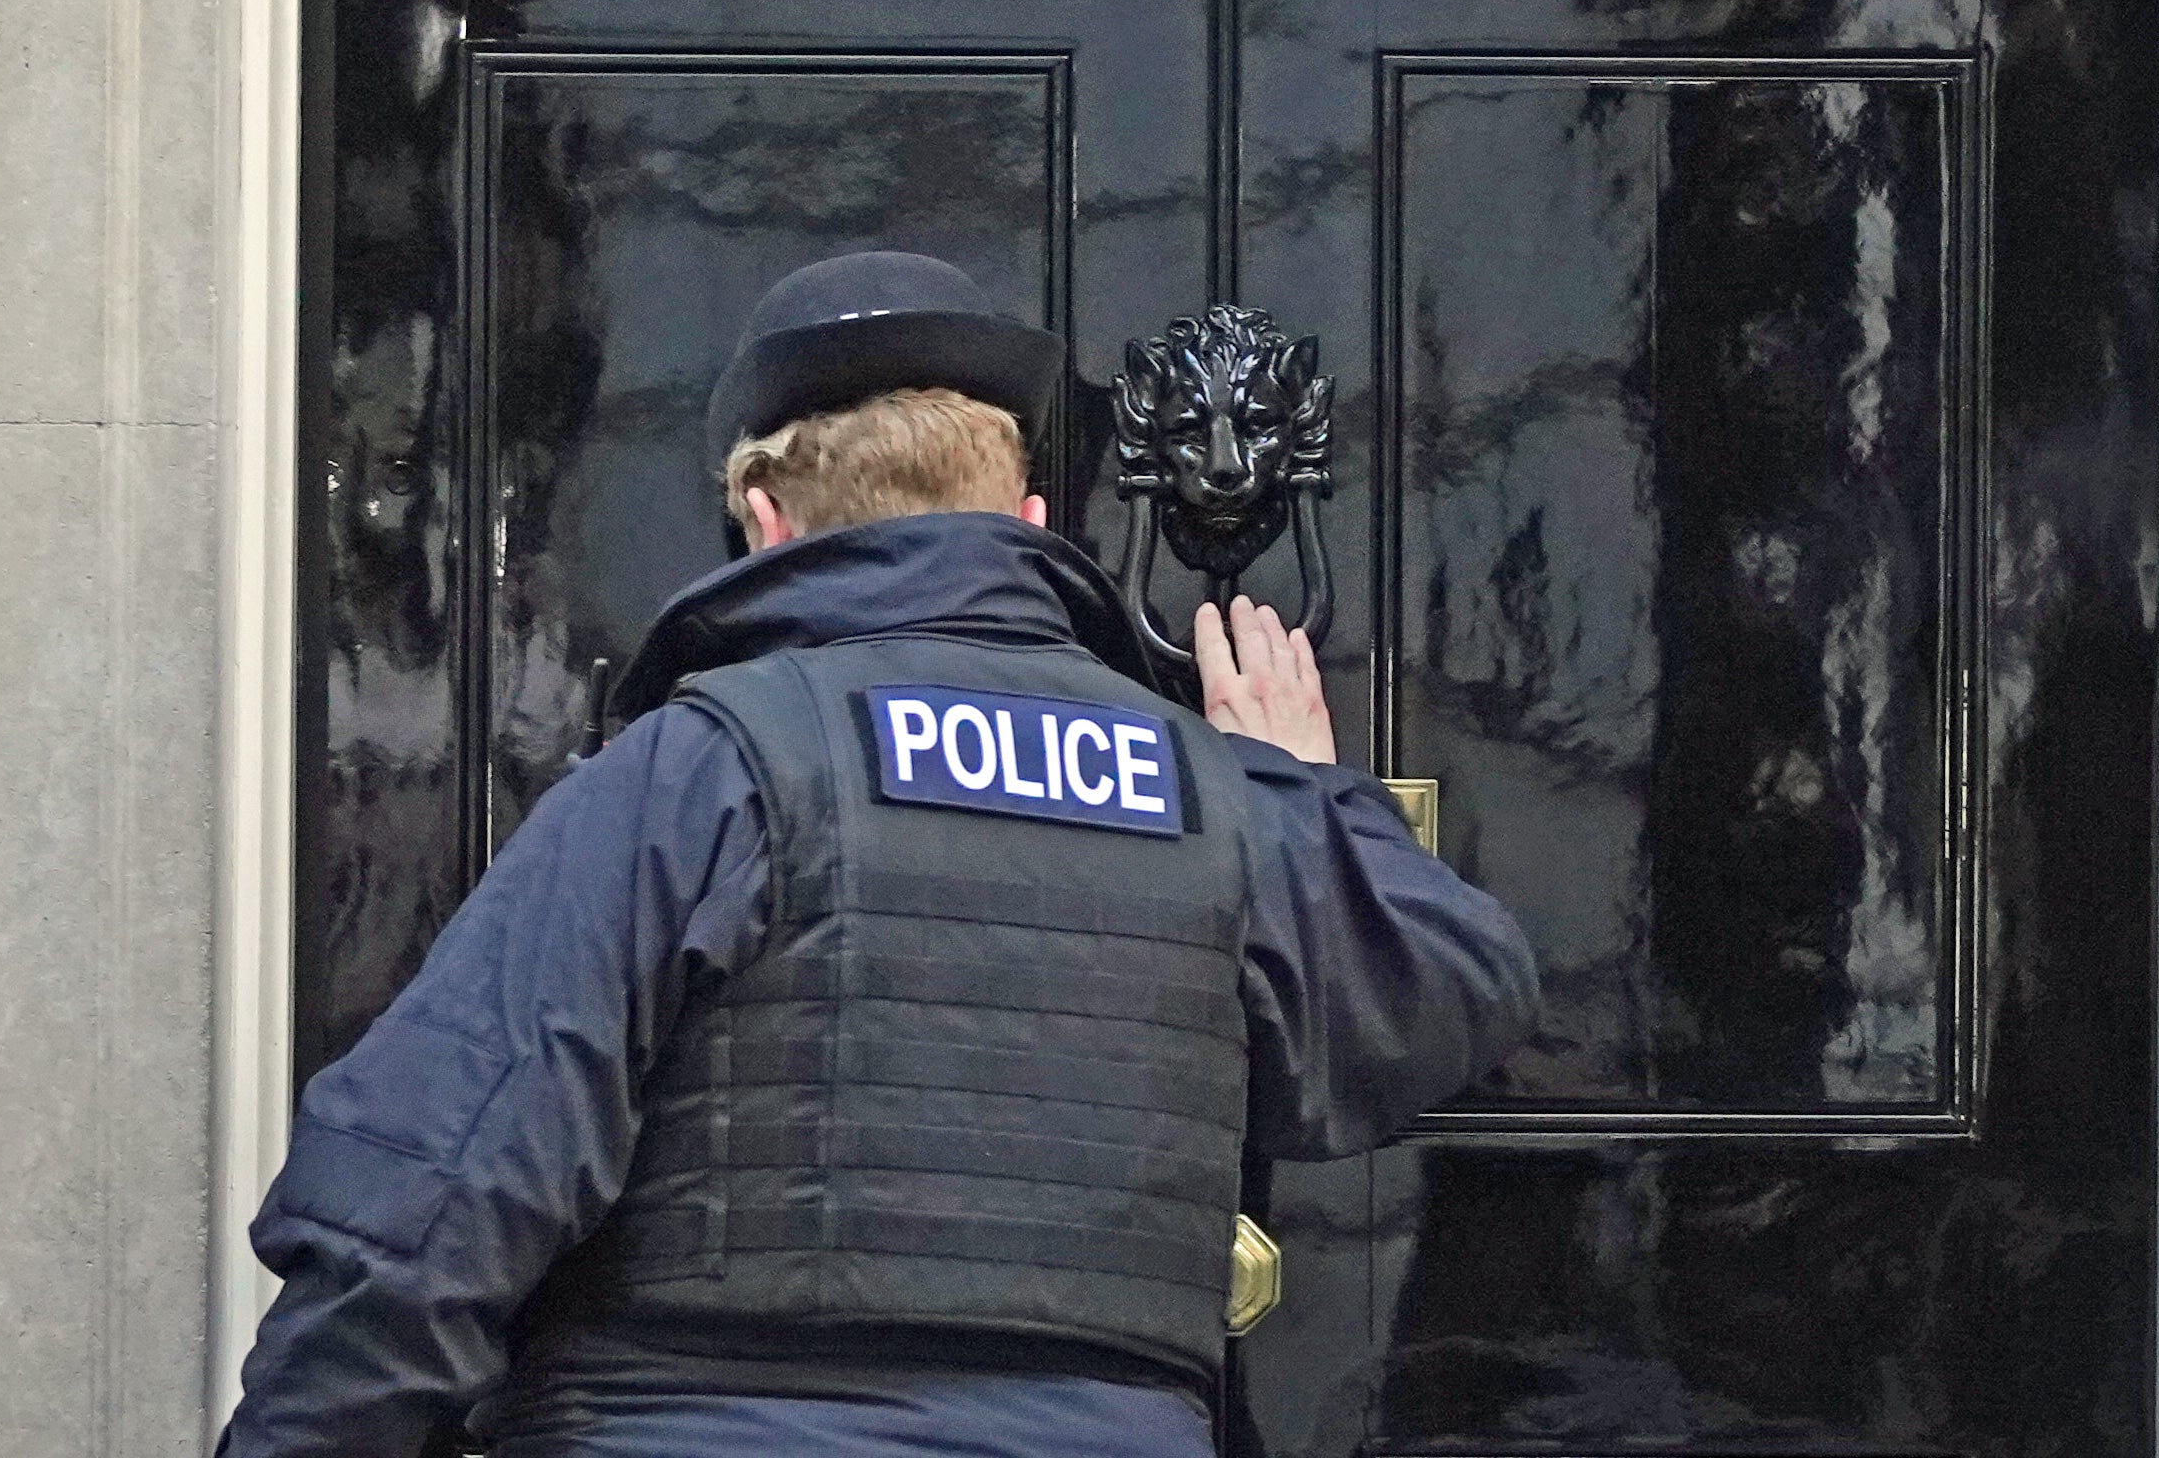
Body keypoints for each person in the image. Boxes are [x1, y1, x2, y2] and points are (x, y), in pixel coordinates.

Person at [218, 252, 1541, 1458]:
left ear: (766, 518)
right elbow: (1451, 989)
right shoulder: (1210, 794)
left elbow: (422, 1213)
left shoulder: (707, 772)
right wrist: (1307, 789)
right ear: (1024, 519)